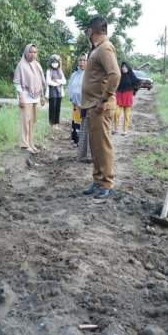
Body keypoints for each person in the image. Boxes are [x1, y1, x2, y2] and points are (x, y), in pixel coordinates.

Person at [81, 16, 120, 199]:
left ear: (91, 31)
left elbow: (115, 74)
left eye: (87, 30)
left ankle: (106, 182)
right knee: (95, 147)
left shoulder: (105, 48)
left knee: (102, 146)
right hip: (93, 106)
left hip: (100, 107)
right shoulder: (97, 49)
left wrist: (104, 98)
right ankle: (98, 180)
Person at [13, 44, 46, 154]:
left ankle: (31, 142)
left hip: (35, 97)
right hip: (25, 96)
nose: (33, 54)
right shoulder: (21, 65)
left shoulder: (37, 65)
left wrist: (42, 96)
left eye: (35, 52)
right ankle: (24, 144)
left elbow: (40, 81)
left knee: (32, 121)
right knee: (25, 121)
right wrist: (21, 97)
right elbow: (17, 82)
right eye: (31, 52)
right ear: (26, 52)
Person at [113, 61, 140, 135]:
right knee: (116, 113)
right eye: (122, 67)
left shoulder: (131, 75)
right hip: (119, 96)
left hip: (128, 97)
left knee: (127, 115)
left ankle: (125, 130)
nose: (124, 68)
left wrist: (133, 90)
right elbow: (114, 83)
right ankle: (115, 129)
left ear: (128, 68)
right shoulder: (119, 75)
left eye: (125, 67)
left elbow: (138, 83)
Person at [68, 54, 88, 152]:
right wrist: (72, 99)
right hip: (76, 103)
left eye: (84, 60)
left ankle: (83, 144)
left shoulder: (89, 75)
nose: (82, 62)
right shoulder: (74, 75)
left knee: (84, 123)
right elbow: (70, 87)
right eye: (80, 60)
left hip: (85, 104)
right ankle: (76, 141)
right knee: (76, 121)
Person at [46, 54, 66, 129]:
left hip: (59, 92)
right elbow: (48, 81)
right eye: (53, 62)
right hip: (52, 92)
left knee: (58, 108)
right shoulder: (49, 71)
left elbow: (64, 81)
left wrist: (56, 80)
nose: (55, 63)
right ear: (50, 62)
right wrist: (58, 83)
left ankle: (56, 123)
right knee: (52, 107)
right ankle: (52, 123)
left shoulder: (60, 71)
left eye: (56, 62)